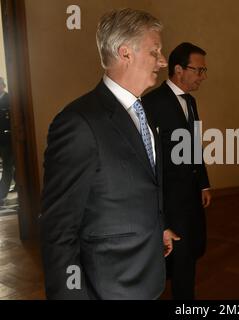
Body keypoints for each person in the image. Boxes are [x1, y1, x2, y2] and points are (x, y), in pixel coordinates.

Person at [40, 8, 179, 300]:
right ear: (125, 53)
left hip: (148, 276)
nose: (163, 60)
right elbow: (58, 230)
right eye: (155, 51)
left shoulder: (145, 112)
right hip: (109, 287)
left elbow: (140, 184)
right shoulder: (78, 123)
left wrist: (159, 227)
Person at [143, 42, 211, 300]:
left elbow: (194, 146)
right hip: (169, 200)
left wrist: (203, 183)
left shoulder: (190, 102)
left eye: (204, 71)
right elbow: (148, 160)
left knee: (192, 250)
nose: (203, 77)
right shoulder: (151, 103)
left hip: (192, 195)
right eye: (199, 70)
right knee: (182, 260)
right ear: (179, 69)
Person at [0, 76, 14, 205]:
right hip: (1, 139)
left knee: (7, 166)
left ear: (3, 85)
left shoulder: (9, 99)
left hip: (7, 139)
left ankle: (1, 194)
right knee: (10, 166)